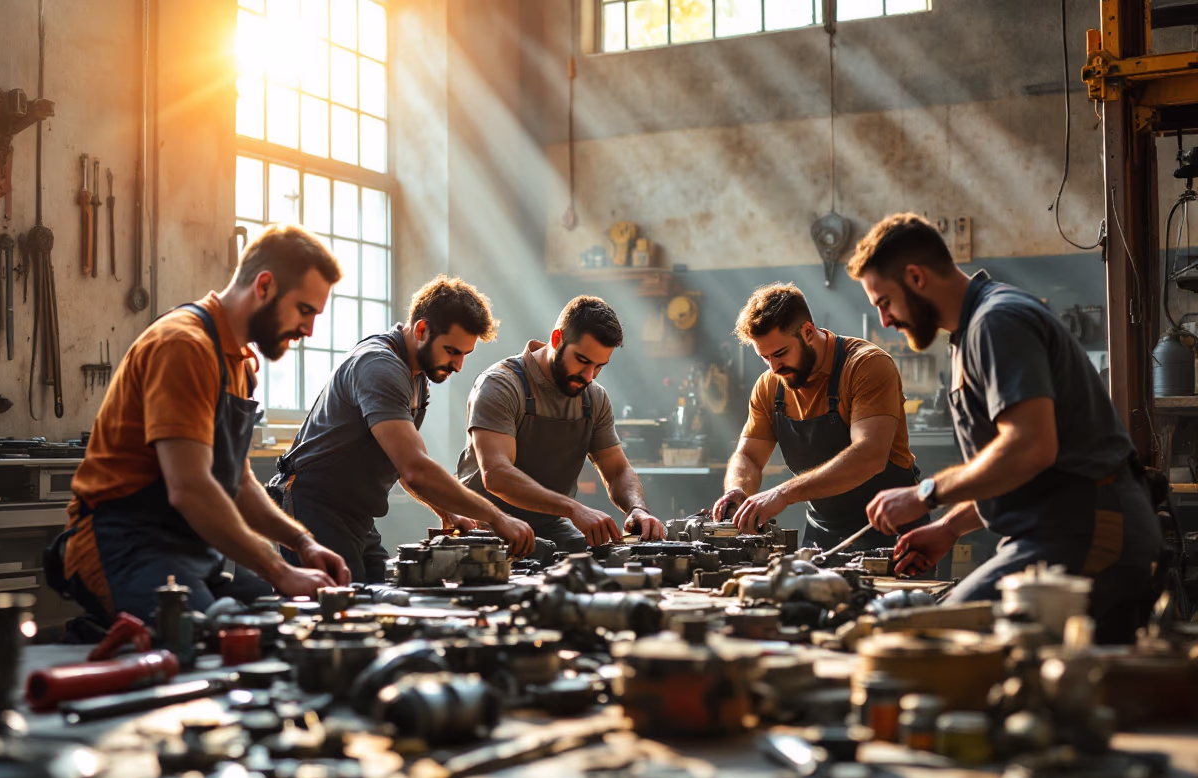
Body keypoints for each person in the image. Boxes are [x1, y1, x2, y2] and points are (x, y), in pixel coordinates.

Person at [852, 213, 1159, 643]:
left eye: (884, 302)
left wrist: (924, 495)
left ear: (916, 277)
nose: (885, 321)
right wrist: (949, 528)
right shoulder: (972, 331)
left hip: (1087, 527)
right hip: (1062, 525)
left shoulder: (997, 321)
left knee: (950, 641)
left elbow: (1030, 448)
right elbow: (1019, 472)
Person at [47, 225, 353, 624]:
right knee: (211, 640)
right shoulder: (184, 346)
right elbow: (190, 490)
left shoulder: (239, 365)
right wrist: (279, 570)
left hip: (192, 545)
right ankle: (107, 647)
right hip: (122, 541)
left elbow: (238, 483)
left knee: (283, 622)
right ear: (264, 286)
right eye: (305, 310)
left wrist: (301, 543)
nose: (309, 330)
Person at [267, 277, 534, 581]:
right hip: (312, 505)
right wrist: (496, 517)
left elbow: (402, 460)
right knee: (339, 613)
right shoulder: (379, 366)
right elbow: (415, 469)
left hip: (357, 517)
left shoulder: (417, 379)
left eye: (463, 354)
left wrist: (448, 511)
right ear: (421, 330)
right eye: (451, 351)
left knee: (385, 599)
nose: (458, 365)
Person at [712, 283, 927, 549]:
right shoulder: (769, 385)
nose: (774, 368)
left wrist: (783, 493)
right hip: (822, 533)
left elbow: (870, 455)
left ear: (808, 332)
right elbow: (749, 456)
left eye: (780, 354)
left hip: (893, 529)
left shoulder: (865, 365)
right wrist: (739, 491)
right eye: (764, 357)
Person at [456, 295, 665, 552]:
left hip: (551, 524)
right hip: (485, 527)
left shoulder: (594, 398)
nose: (589, 376)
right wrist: (573, 508)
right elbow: (497, 475)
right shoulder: (501, 385)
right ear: (557, 339)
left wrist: (637, 509)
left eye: (599, 366)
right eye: (583, 361)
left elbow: (617, 470)